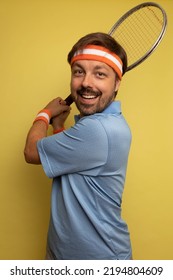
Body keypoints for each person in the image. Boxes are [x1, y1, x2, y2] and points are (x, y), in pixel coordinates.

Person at [24, 32, 132, 260]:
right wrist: (59, 126)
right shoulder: (106, 124)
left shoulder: (97, 130)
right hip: (68, 254)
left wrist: (45, 114)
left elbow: (31, 152)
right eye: (79, 72)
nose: (85, 83)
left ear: (117, 83)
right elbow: (72, 164)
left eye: (100, 74)